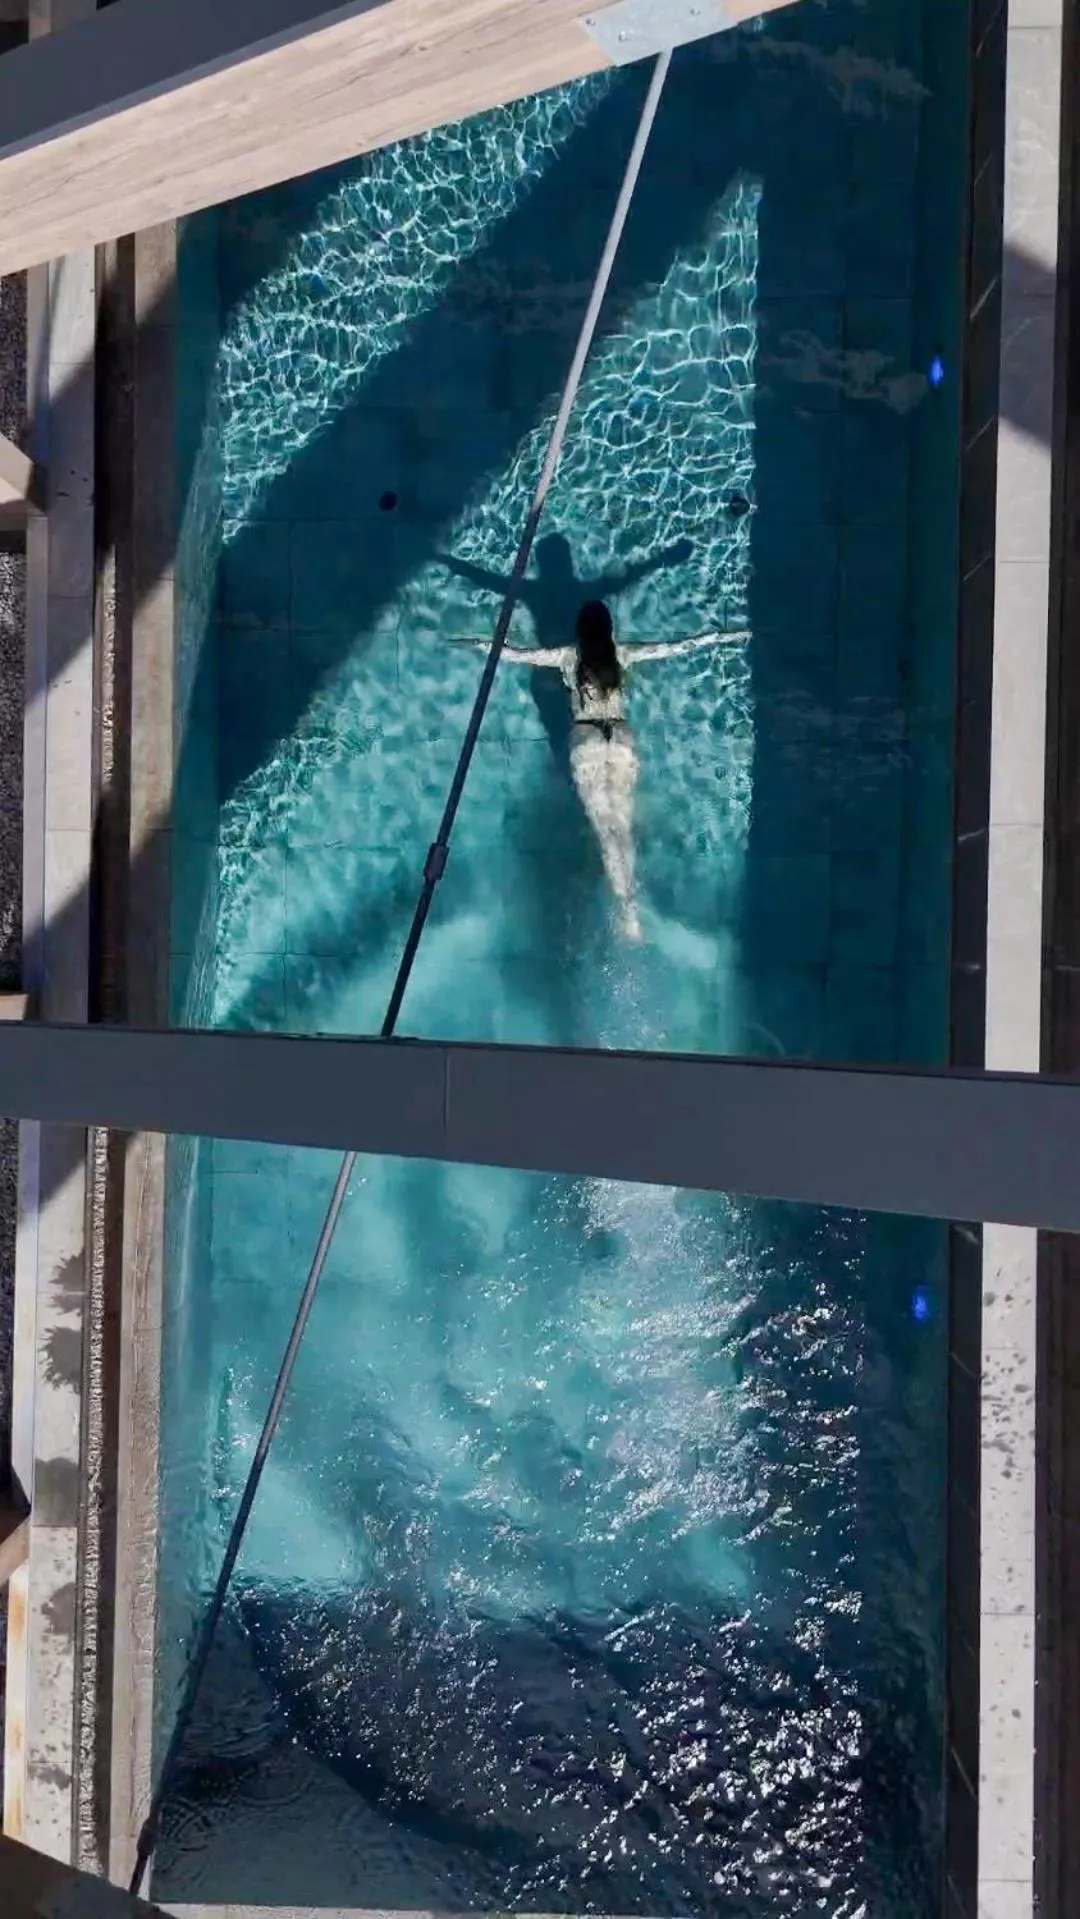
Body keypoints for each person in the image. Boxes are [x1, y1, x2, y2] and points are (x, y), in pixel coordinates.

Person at [460, 598, 747, 941]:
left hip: (587, 740)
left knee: (605, 832)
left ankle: (626, 913)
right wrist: (727, 636)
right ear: (610, 629)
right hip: (621, 738)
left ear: (580, 630)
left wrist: (474, 644)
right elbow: (678, 646)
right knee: (622, 829)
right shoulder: (622, 654)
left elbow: (514, 654)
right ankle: (633, 911)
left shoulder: (568, 657)